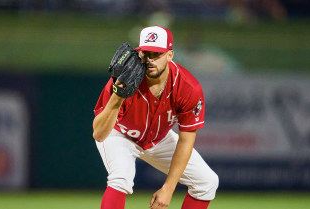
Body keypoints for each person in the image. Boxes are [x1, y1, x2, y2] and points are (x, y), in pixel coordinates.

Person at [92, 25, 219, 209]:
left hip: (158, 139)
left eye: (157, 54)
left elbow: (186, 140)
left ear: (170, 55)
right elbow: (99, 134)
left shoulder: (187, 87)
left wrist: (168, 188)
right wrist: (117, 95)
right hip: (120, 133)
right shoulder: (124, 77)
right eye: (146, 53)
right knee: (121, 177)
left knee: (207, 182)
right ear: (140, 52)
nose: (150, 60)